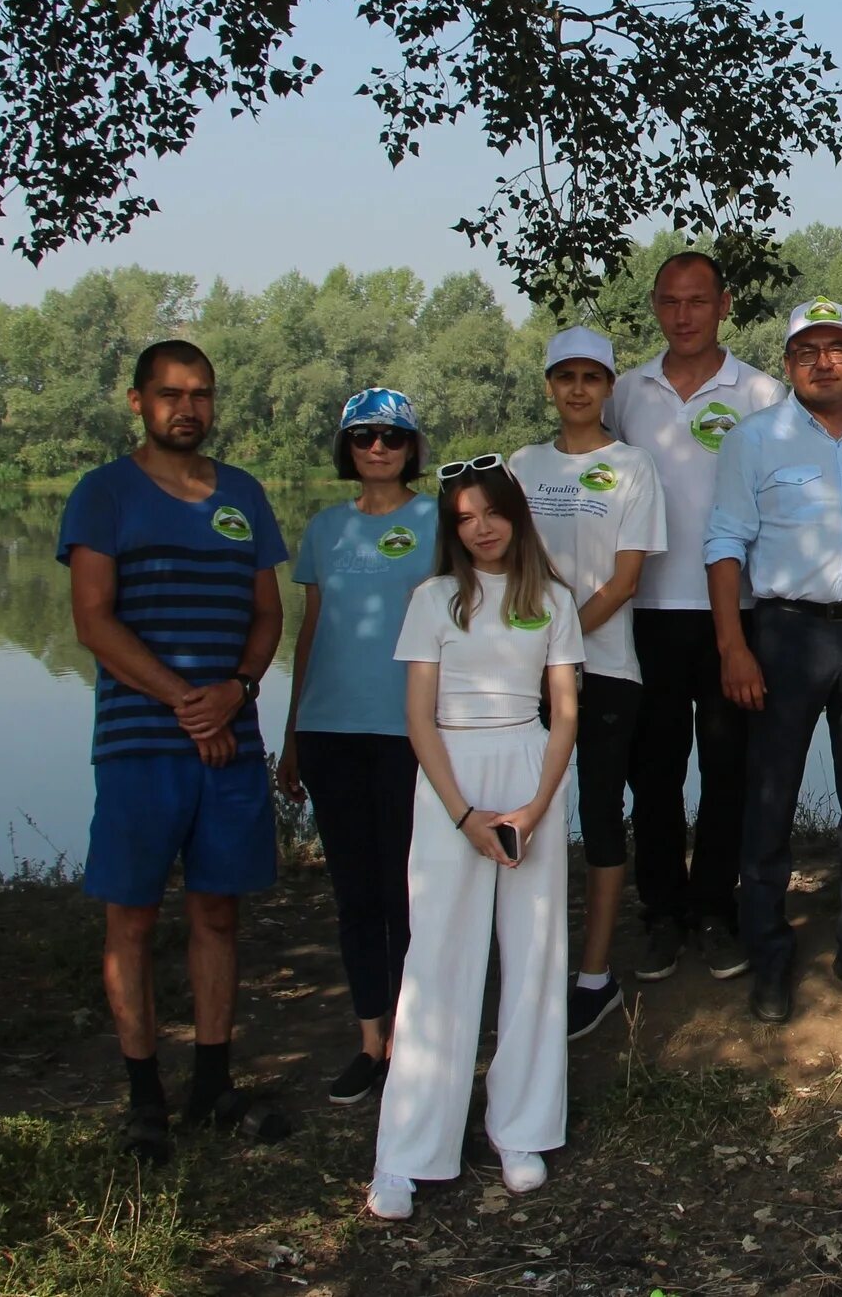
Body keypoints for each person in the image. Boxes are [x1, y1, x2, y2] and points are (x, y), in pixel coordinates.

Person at [60, 340, 286, 1161]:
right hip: (141, 745)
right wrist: (186, 700)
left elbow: (267, 614)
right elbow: (93, 619)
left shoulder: (243, 496)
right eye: (169, 394)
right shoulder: (103, 495)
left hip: (229, 739)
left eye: (200, 394)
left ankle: (212, 1084)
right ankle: (143, 1094)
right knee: (132, 916)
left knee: (219, 910)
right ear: (137, 401)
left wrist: (240, 685)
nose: (186, 407)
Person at [368, 459, 582, 1220]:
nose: (482, 527)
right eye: (465, 517)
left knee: (533, 954)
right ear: (451, 529)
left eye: (492, 512)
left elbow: (564, 713)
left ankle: (520, 1129)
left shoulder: (553, 599)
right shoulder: (431, 599)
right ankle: (408, 1150)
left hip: (530, 771)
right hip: (450, 778)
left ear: (516, 516)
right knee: (438, 957)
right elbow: (418, 718)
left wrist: (530, 808)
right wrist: (464, 814)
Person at [704, 297, 842, 1025]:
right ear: (788, 362)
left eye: (836, 348)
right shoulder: (753, 439)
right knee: (768, 805)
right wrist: (734, 644)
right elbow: (725, 544)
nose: (823, 361)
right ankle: (769, 954)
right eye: (806, 350)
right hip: (785, 635)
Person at [603, 252, 785, 989]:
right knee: (652, 774)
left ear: (724, 305)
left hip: (730, 616)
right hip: (639, 614)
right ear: (654, 306)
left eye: (698, 301)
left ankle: (715, 907)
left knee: (727, 771)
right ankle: (660, 914)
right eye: (671, 302)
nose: (684, 315)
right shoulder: (625, 393)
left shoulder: (761, 391)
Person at [275, 388, 435, 1106]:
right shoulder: (323, 528)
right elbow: (311, 632)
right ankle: (370, 1041)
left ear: (411, 447)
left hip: (410, 729)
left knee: (411, 894)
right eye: (365, 436)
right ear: (347, 447)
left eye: (393, 437)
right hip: (330, 730)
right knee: (354, 897)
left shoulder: (440, 521)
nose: (379, 448)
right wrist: (290, 734)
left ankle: (417, 1037)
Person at [506, 326, 666, 1039]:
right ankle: (524, 961)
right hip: (520, 672)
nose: (577, 388)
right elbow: (502, 564)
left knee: (600, 814)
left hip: (604, 670)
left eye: (591, 377)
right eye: (564, 376)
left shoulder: (633, 465)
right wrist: (539, 656)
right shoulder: (522, 465)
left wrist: (564, 650)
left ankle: (594, 975)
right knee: (518, 814)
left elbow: (626, 578)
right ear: (548, 384)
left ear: (609, 387)